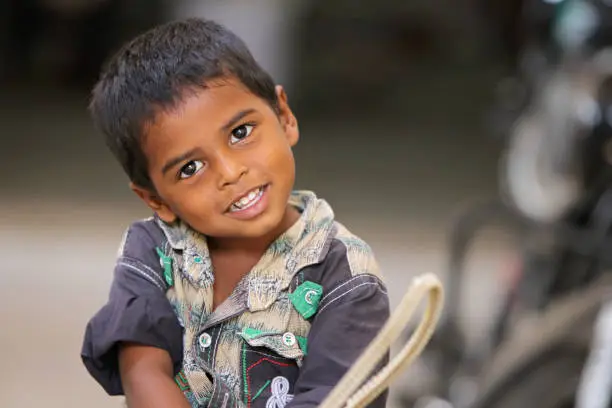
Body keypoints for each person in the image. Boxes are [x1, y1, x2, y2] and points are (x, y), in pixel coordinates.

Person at [80, 18, 390, 408]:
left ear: (284, 116)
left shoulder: (345, 275)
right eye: (190, 168)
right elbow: (143, 369)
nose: (230, 174)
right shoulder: (154, 251)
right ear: (156, 199)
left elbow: (336, 398)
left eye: (240, 132)